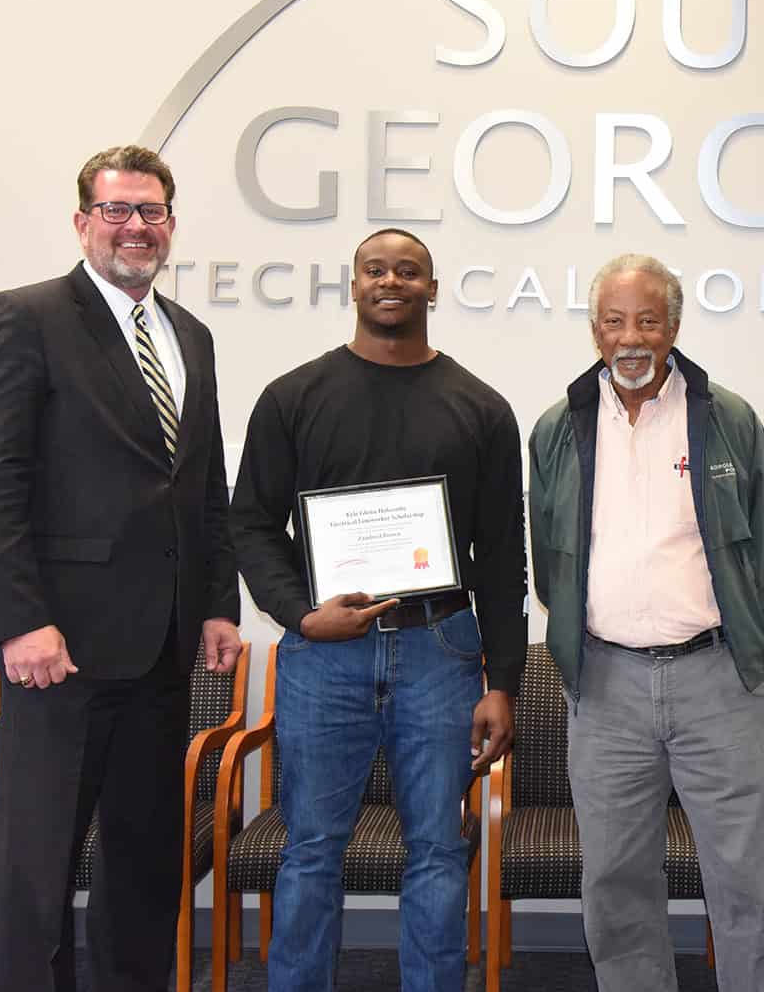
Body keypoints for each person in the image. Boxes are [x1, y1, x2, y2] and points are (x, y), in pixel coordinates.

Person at [0, 145, 241, 992]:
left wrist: (217, 603)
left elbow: (203, 484)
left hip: (162, 652)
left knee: (144, 869)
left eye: (150, 211)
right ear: (83, 222)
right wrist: (20, 620)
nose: (135, 226)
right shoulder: (27, 316)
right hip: (59, 652)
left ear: (171, 224)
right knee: (39, 871)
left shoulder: (190, 335)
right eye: (117, 210)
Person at [230, 227, 527, 992]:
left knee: (439, 847)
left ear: (432, 288)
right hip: (324, 654)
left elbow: (502, 558)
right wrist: (302, 615)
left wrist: (503, 682)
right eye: (375, 269)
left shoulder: (482, 407)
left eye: (408, 270)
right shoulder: (293, 397)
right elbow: (251, 523)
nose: (390, 280)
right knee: (311, 849)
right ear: (354, 284)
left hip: (441, 649)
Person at [528, 253, 764, 992]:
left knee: (748, 880)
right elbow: (549, 560)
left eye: (647, 320)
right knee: (615, 882)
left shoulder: (728, 420)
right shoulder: (558, 429)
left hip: (718, 682)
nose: (631, 337)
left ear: (673, 328)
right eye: (615, 321)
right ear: (595, 331)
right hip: (605, 687)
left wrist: (740, 648)